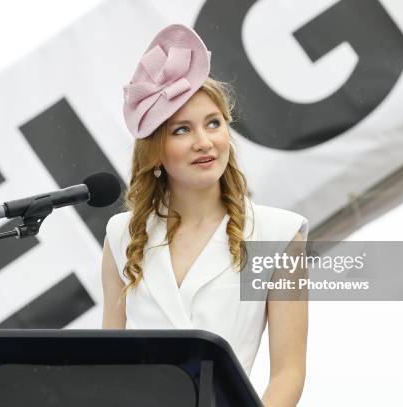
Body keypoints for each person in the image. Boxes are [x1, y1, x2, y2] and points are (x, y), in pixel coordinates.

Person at [101, 24, 309, 406]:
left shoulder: (279, 233)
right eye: (182, 130)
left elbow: (288, 373)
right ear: (156, 152)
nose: (204, 142)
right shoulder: (121, 234)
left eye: (214, 123)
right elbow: (109, 367)